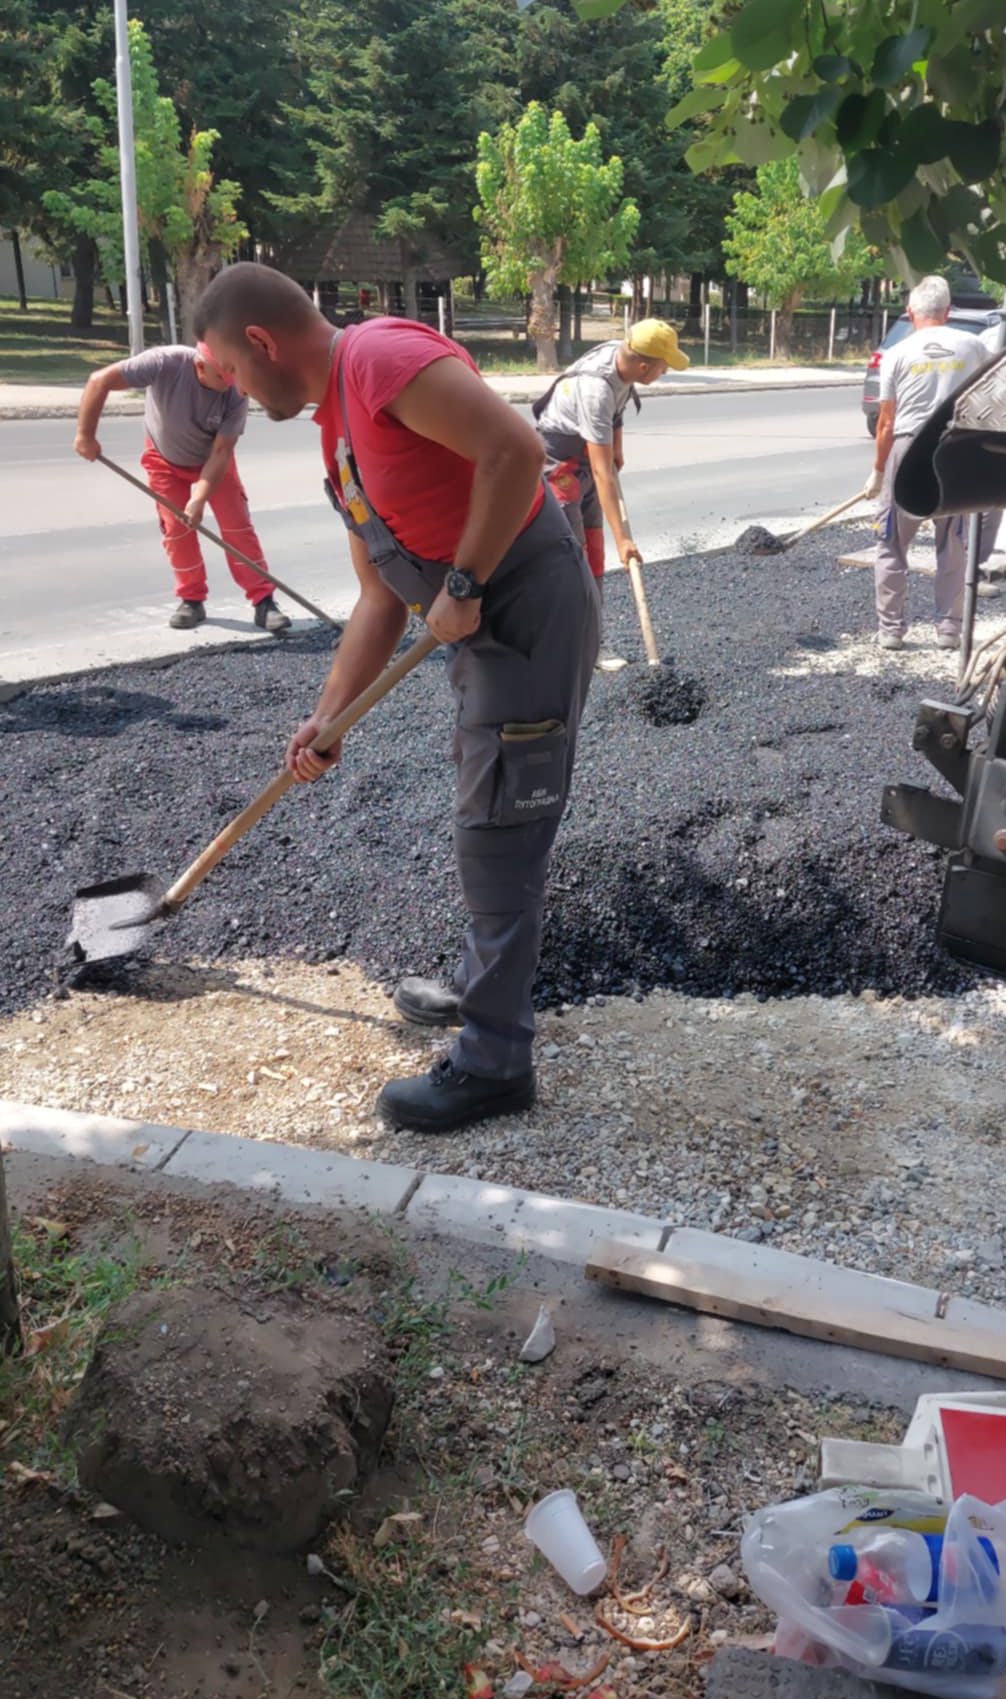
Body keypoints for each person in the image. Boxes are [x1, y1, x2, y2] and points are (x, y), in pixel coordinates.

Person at [195, 263, 599, 1135]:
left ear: (261, 343)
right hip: (475, 621)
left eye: (230, 369)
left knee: (499, 820)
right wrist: (327, 714)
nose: (232, 388)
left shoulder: (377, 357)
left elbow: (517, 450)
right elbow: (379, 596)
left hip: (523, 610)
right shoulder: (337, 435)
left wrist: (463, 579)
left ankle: (494, 1062)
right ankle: (478, 987)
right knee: (480, 796)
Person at [74, 340, 290, 635]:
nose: (231, 386)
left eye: (233, 377)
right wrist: (86, 435)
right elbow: (99, 381)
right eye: (222, 379)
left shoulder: (236, 394)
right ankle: (192, 599)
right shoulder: (164, 363)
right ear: (200, 366)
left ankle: (264, 601)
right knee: (177, 530)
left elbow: (221, 452)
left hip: (212, 461)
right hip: (164, 458)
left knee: (237, 526)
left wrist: (199, 497)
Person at [532, 319, 689, 665]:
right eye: (663, 367)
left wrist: (617, 446)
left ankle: (592, 642)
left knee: (593, 554)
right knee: (571, 558)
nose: (664, 373)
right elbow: (604, 474)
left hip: (586, 458)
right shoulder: (595, 389)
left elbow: (616, 417)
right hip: (560, 467)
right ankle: (568, 649)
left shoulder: (621, 361)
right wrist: (624, 541)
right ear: (644, 364)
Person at [866, 275, 993, 651]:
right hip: (953, 452)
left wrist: (877, 471)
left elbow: (886, 422)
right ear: (948, 312)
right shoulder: (973, 346)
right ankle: (949, 631)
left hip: (908, 449)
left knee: (890, 541)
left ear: (910, 311)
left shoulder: (896, 354)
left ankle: (891, 630)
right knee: (952, 544)